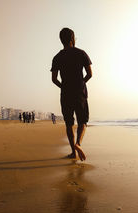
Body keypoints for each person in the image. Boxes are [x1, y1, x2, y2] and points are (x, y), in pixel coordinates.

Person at [51, 28, 92, 161]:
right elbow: (90, 74)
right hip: (80, 92)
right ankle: (78, 144)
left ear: (61, 40)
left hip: (66, 94)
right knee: (83, 121)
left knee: (69, 124)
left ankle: (73, 152)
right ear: (72, 38)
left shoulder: (57, 57)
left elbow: (54, 79)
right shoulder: (81, 53)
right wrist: (81, 83)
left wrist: (63, 87)